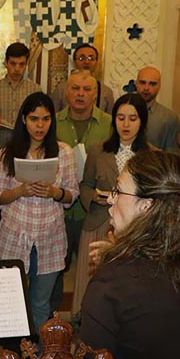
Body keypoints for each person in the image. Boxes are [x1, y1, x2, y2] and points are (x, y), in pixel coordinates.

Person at [80, 151, 180, 359]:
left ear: (146, 206)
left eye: (118, 190)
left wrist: (115, 266)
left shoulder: (111, 284)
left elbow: (91, 358)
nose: (110, 199)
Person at [0, 92, 78, 336]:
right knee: (11, 303)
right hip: (14, 236)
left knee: (41, 305)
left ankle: (39, 354)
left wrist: (54, 192)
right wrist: (20, 190)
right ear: (24, 120)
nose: (40, 126)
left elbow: (72, 194)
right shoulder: (7, 153)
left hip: (50, 238)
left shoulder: (63, 152)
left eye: (45, 119)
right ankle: (14, 352)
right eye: (34, 119)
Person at [75, 93, 151, 315]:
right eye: (120, 118)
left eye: (132, 118)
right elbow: (85, 186)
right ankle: (83, 324)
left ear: (142, 121)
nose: (126, 124)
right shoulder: (98, 150)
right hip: (99, 222)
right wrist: (94, 196)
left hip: (134, 228)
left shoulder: (152, 155)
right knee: (89, 285)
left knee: (125, 286)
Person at [50, 69, 111, 312]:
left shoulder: (109, 124)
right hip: (58, 209)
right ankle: (52, 321)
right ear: (66, 92)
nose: (80, 94)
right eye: (75, 88)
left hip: (96, 211)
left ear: (96, 94)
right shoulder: (52, 122)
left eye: (87, 89)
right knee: (54, 270)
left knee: (95, 271)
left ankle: (89, 320)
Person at [0, 43, 41, 260]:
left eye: (21, 64)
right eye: (13, 64)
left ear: (26, 65)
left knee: (23, 204)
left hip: (27, 158)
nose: (17, 69)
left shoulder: (34, 90)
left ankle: (22, 251)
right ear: (5, 63)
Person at [51, 45, 113, 115]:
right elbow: (53, 116)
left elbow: (111, 119)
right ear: (74, 62)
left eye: (91, 58)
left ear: (96, 62)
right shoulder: (61, 89)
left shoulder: (106, 92)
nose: (86, 61)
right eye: (81, 58)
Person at [134, 66, 180, 151]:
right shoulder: (122, 112)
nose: (146, 88)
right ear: (136, 83)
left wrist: (154, 152)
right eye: (142, 83)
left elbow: (172, 154)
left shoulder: (169, 117)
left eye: (152, 84)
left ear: (159, 86)